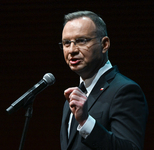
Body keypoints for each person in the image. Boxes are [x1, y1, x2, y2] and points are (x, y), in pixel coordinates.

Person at [59, 10, 148, 150]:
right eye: (66, 43)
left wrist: (86, 122)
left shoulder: (125, 90)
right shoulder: (72, 99)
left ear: (105, 44)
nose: (72, 50)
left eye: (81, 41)